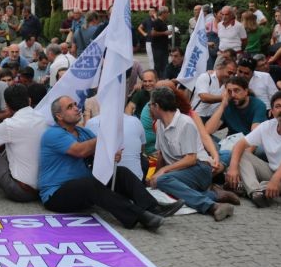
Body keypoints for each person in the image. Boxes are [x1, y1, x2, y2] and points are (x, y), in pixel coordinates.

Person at [38, 96, 182, 231]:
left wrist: (112, 155)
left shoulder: (83, 132)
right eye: (70, 107)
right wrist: (105, 137)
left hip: (82, 190)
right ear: (59, 116)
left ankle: (153, 208)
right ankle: (139, 216)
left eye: (75, 104)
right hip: (56, 194)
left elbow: (100, 154)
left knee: (122, 172)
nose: (76, 108)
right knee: (90, 184)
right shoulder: (53, 134)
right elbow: (80, 151)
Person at [148, 87, 238, 222]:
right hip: (180, 172)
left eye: (150, 105)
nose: (149, 108)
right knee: (158, 185)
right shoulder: (160, 123)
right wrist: (152, 176)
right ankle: (213, 195)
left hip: (199, 168)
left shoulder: (185, 123)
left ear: (157, 106)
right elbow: (161, 155)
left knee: (163, 180)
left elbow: (191, 159)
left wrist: (163, 170)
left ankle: (212, 206)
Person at [0, 85, 46, 202]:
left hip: (21, 191)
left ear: (7, 105)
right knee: (10, 144)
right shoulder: (43, 118)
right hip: (43, 190)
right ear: (29, 100)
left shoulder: (10, 124)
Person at [204, 76, 267, 140]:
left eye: (236, 90)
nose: (233, 95)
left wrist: (241, 149)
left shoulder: (258, 105)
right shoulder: (227, 104)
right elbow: (208, 130)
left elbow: (255, 134)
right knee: (204, 137)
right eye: (229, 91)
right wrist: (222, 105)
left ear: (246, 91)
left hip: (249, 142)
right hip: (231, 140)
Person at [150, 7, 172, 76]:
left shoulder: (163, 22)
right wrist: (164, 33)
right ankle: (157, 79)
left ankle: (164, 78)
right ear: (163, 13)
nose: (168, 14)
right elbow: (153, 33)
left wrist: (168, 44)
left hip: (164, 47)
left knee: (165, 64)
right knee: (158, 65)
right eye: (167, 12)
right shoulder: (157, 22)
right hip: (158, 48)